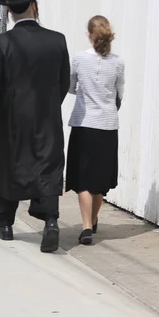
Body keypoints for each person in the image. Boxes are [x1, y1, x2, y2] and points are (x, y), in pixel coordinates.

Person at [0, 0, 70, 254]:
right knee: (48, 167)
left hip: (11, 120)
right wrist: (50, 104)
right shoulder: (57, 41)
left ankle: (5, 224)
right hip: (47, 118)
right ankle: (50, 221)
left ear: (9, 10)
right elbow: (63, 83)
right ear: (33, 5)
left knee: (8, 168)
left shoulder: (1, 43)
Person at [66, 15, 125, 245]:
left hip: (83, 124)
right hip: (108, 126)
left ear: (89, 35)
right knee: (100, 179)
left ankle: (86, 226)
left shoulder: (79, 59)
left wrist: (85, 93)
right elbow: (120, 93)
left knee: (83, 178)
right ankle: (94, 218)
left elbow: (70, 87)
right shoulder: (118, 62)